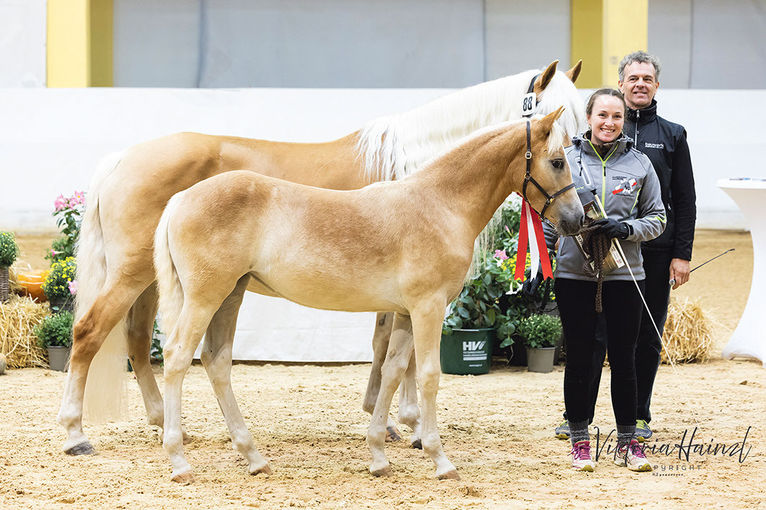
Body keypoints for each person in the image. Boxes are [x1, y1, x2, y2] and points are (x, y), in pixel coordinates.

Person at [554, 51, 696, 442]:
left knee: (642, 339)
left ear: (655, 85)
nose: (640, 84)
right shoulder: (583, 145)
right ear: (620, 84)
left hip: (649, 252)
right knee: (589, 340)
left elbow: (684, 200)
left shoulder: (672, 136)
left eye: (647, 78)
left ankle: (638, 416)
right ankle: (577, 415)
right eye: (633, 77)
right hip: (590, 255)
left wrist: (681, 254)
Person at [546, 88, 665, 471]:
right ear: (589, 118)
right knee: (580, 355)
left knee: (625, 358)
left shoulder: (641, 165)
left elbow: (658, 218)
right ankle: (580, 439)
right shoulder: (566, 160)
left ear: (624, 120)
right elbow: (549, 213)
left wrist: (626, 228)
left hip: (625, 276)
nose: (609, 123)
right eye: (602, 116)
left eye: (616, 116)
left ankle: (628, 443)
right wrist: (545, 259)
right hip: (573, 274)